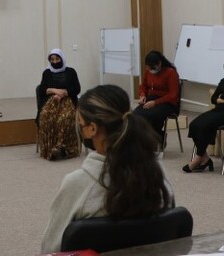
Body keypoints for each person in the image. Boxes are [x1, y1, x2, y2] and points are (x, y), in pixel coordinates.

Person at [41, 85, 173, 254]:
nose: (79, 128)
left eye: (81, 124)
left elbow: (51, 249)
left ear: (93, 129)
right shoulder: (158, 175)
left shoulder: (77, 183)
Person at [183, 52, 224, 173]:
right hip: (219, 110)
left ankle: (198, 158)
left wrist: (221, 97)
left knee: (206, 125)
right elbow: (213, 98)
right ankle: (205, 158)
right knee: (194, 125)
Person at [36, 48, 81, 161]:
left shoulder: (71, 72)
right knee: (47, 118)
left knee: (64, 119)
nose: (55, 62)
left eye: (57, 59)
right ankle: (49, 149)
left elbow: (76, 89)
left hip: (67, 101)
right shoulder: (47, 72)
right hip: (51, 101)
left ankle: (62, 148)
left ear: (62, 58)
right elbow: (42, 89)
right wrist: (54, 91)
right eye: (52, 60)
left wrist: (63, 93)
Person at [133, 50, 180, 137]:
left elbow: (173, 95)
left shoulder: (171, 73)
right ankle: (142, 140)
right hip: (151, 99)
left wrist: (155, 103)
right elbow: (143, 86)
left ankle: (157, 138)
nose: (150, 70)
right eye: (148, 68)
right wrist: (142, 95)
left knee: (153, 116)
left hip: (167, 103)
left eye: (152, 68)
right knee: (135, 114)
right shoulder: (149, 72)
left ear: (159, 64)